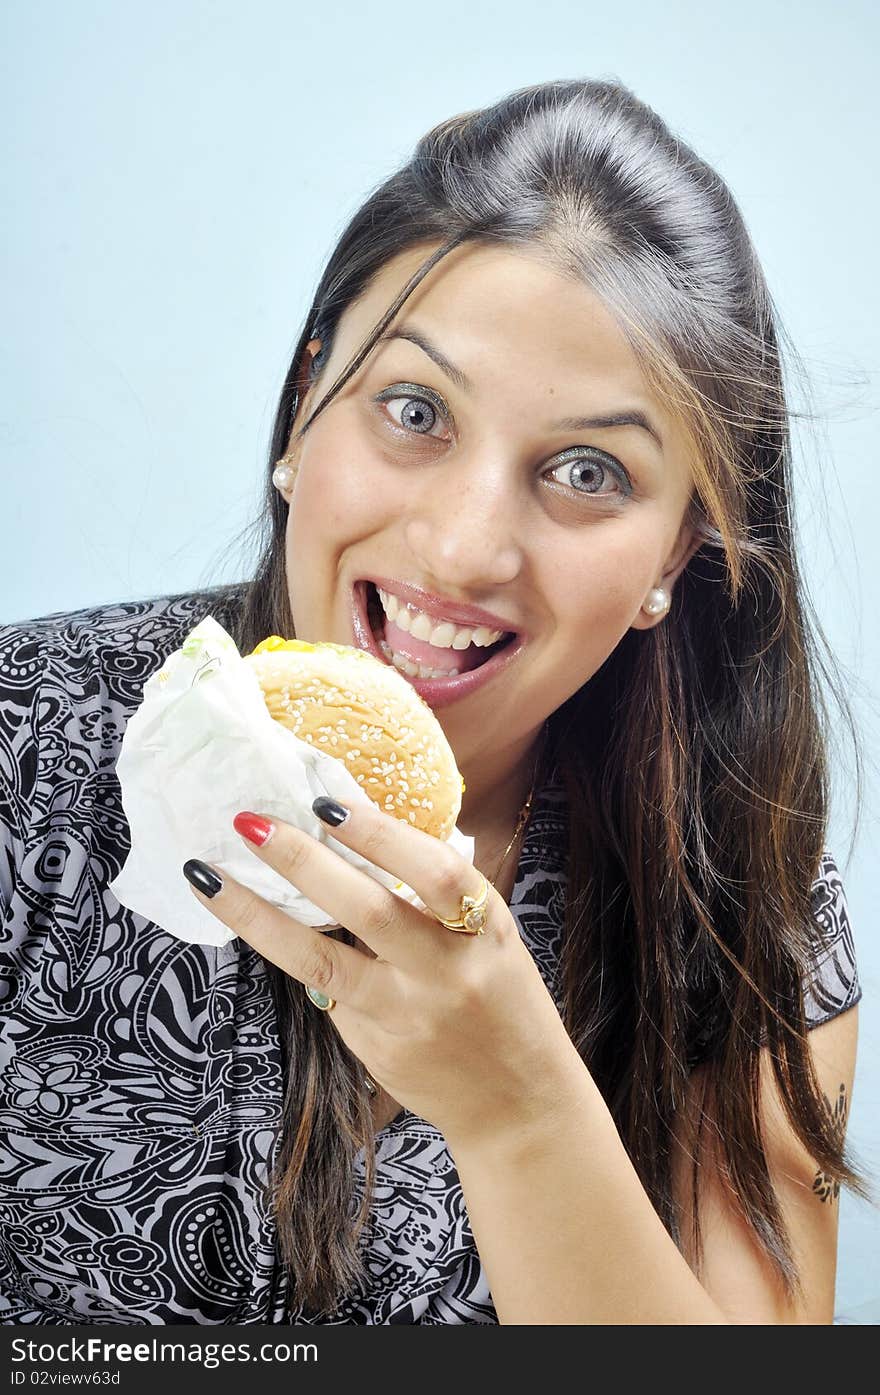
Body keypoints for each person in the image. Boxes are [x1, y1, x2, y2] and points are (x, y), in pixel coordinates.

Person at [0, 76, 870, 1326]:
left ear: (674, 558)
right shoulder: (23, 748)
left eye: (586, 472)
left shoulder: (742, 904)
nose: (462, 550)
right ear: (307, 406)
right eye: (413, 411)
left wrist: (517, 1107)